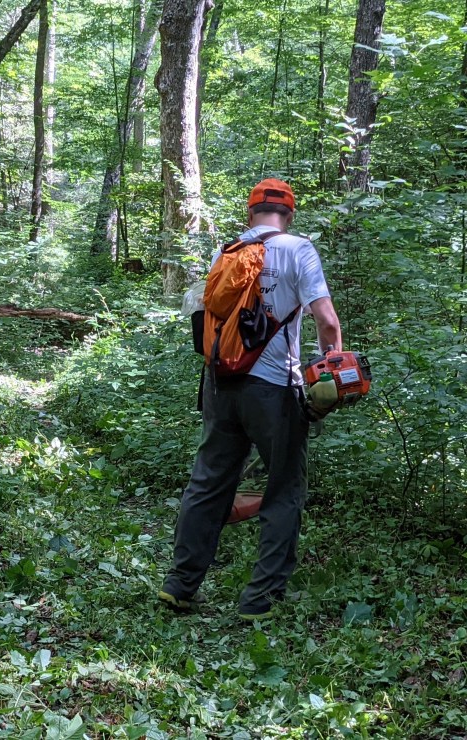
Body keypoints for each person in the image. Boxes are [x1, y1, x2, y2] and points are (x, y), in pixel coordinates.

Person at [158, 178, 342, 621]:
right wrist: (330, 373)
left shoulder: (229, 251)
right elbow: (327, 321)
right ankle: (259, 601)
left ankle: (180, 586)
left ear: (250, 212)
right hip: (275, 389)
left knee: (208, 483)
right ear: (290, 214)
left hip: (221, 385)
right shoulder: (299, 249)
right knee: (283, 490)